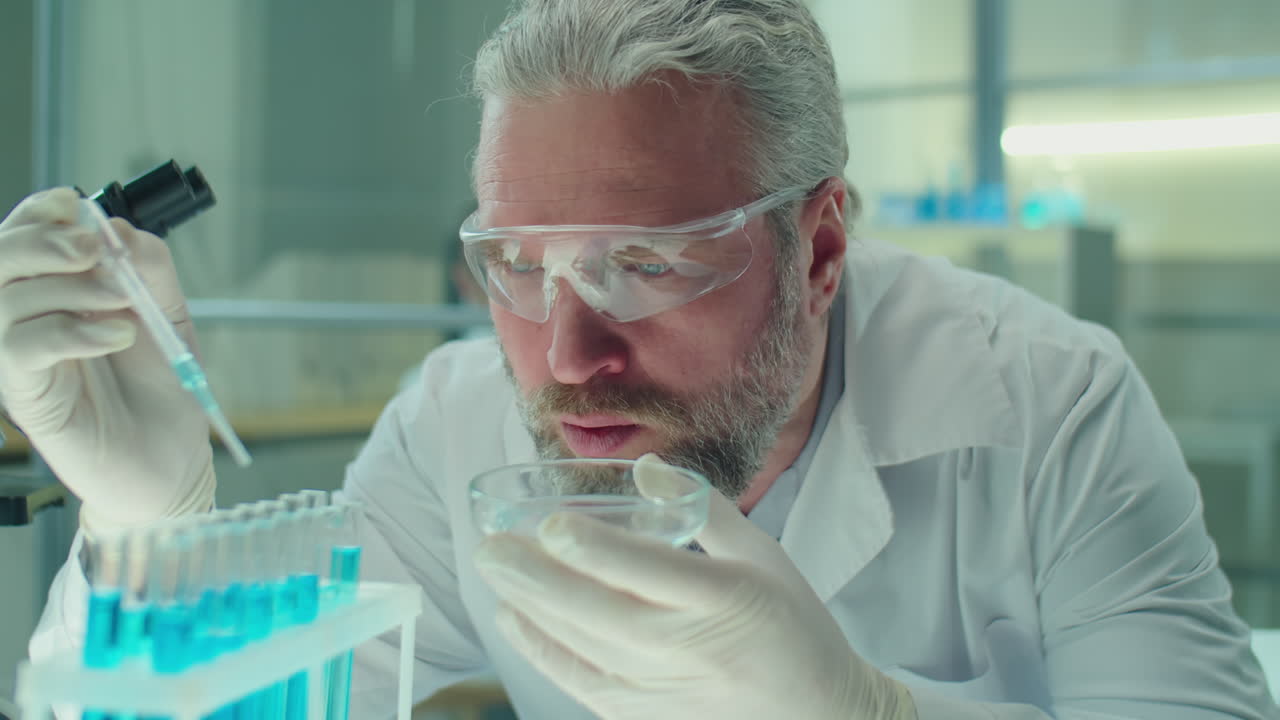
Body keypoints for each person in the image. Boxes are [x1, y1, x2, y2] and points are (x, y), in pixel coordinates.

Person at [7, 0, 1277, 717]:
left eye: (650, 264)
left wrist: (860, 709)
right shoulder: (453, 425)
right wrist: (146, 522)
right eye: (518, 264)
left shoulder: (1048, 403)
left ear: (819, 248)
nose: (568, 357)